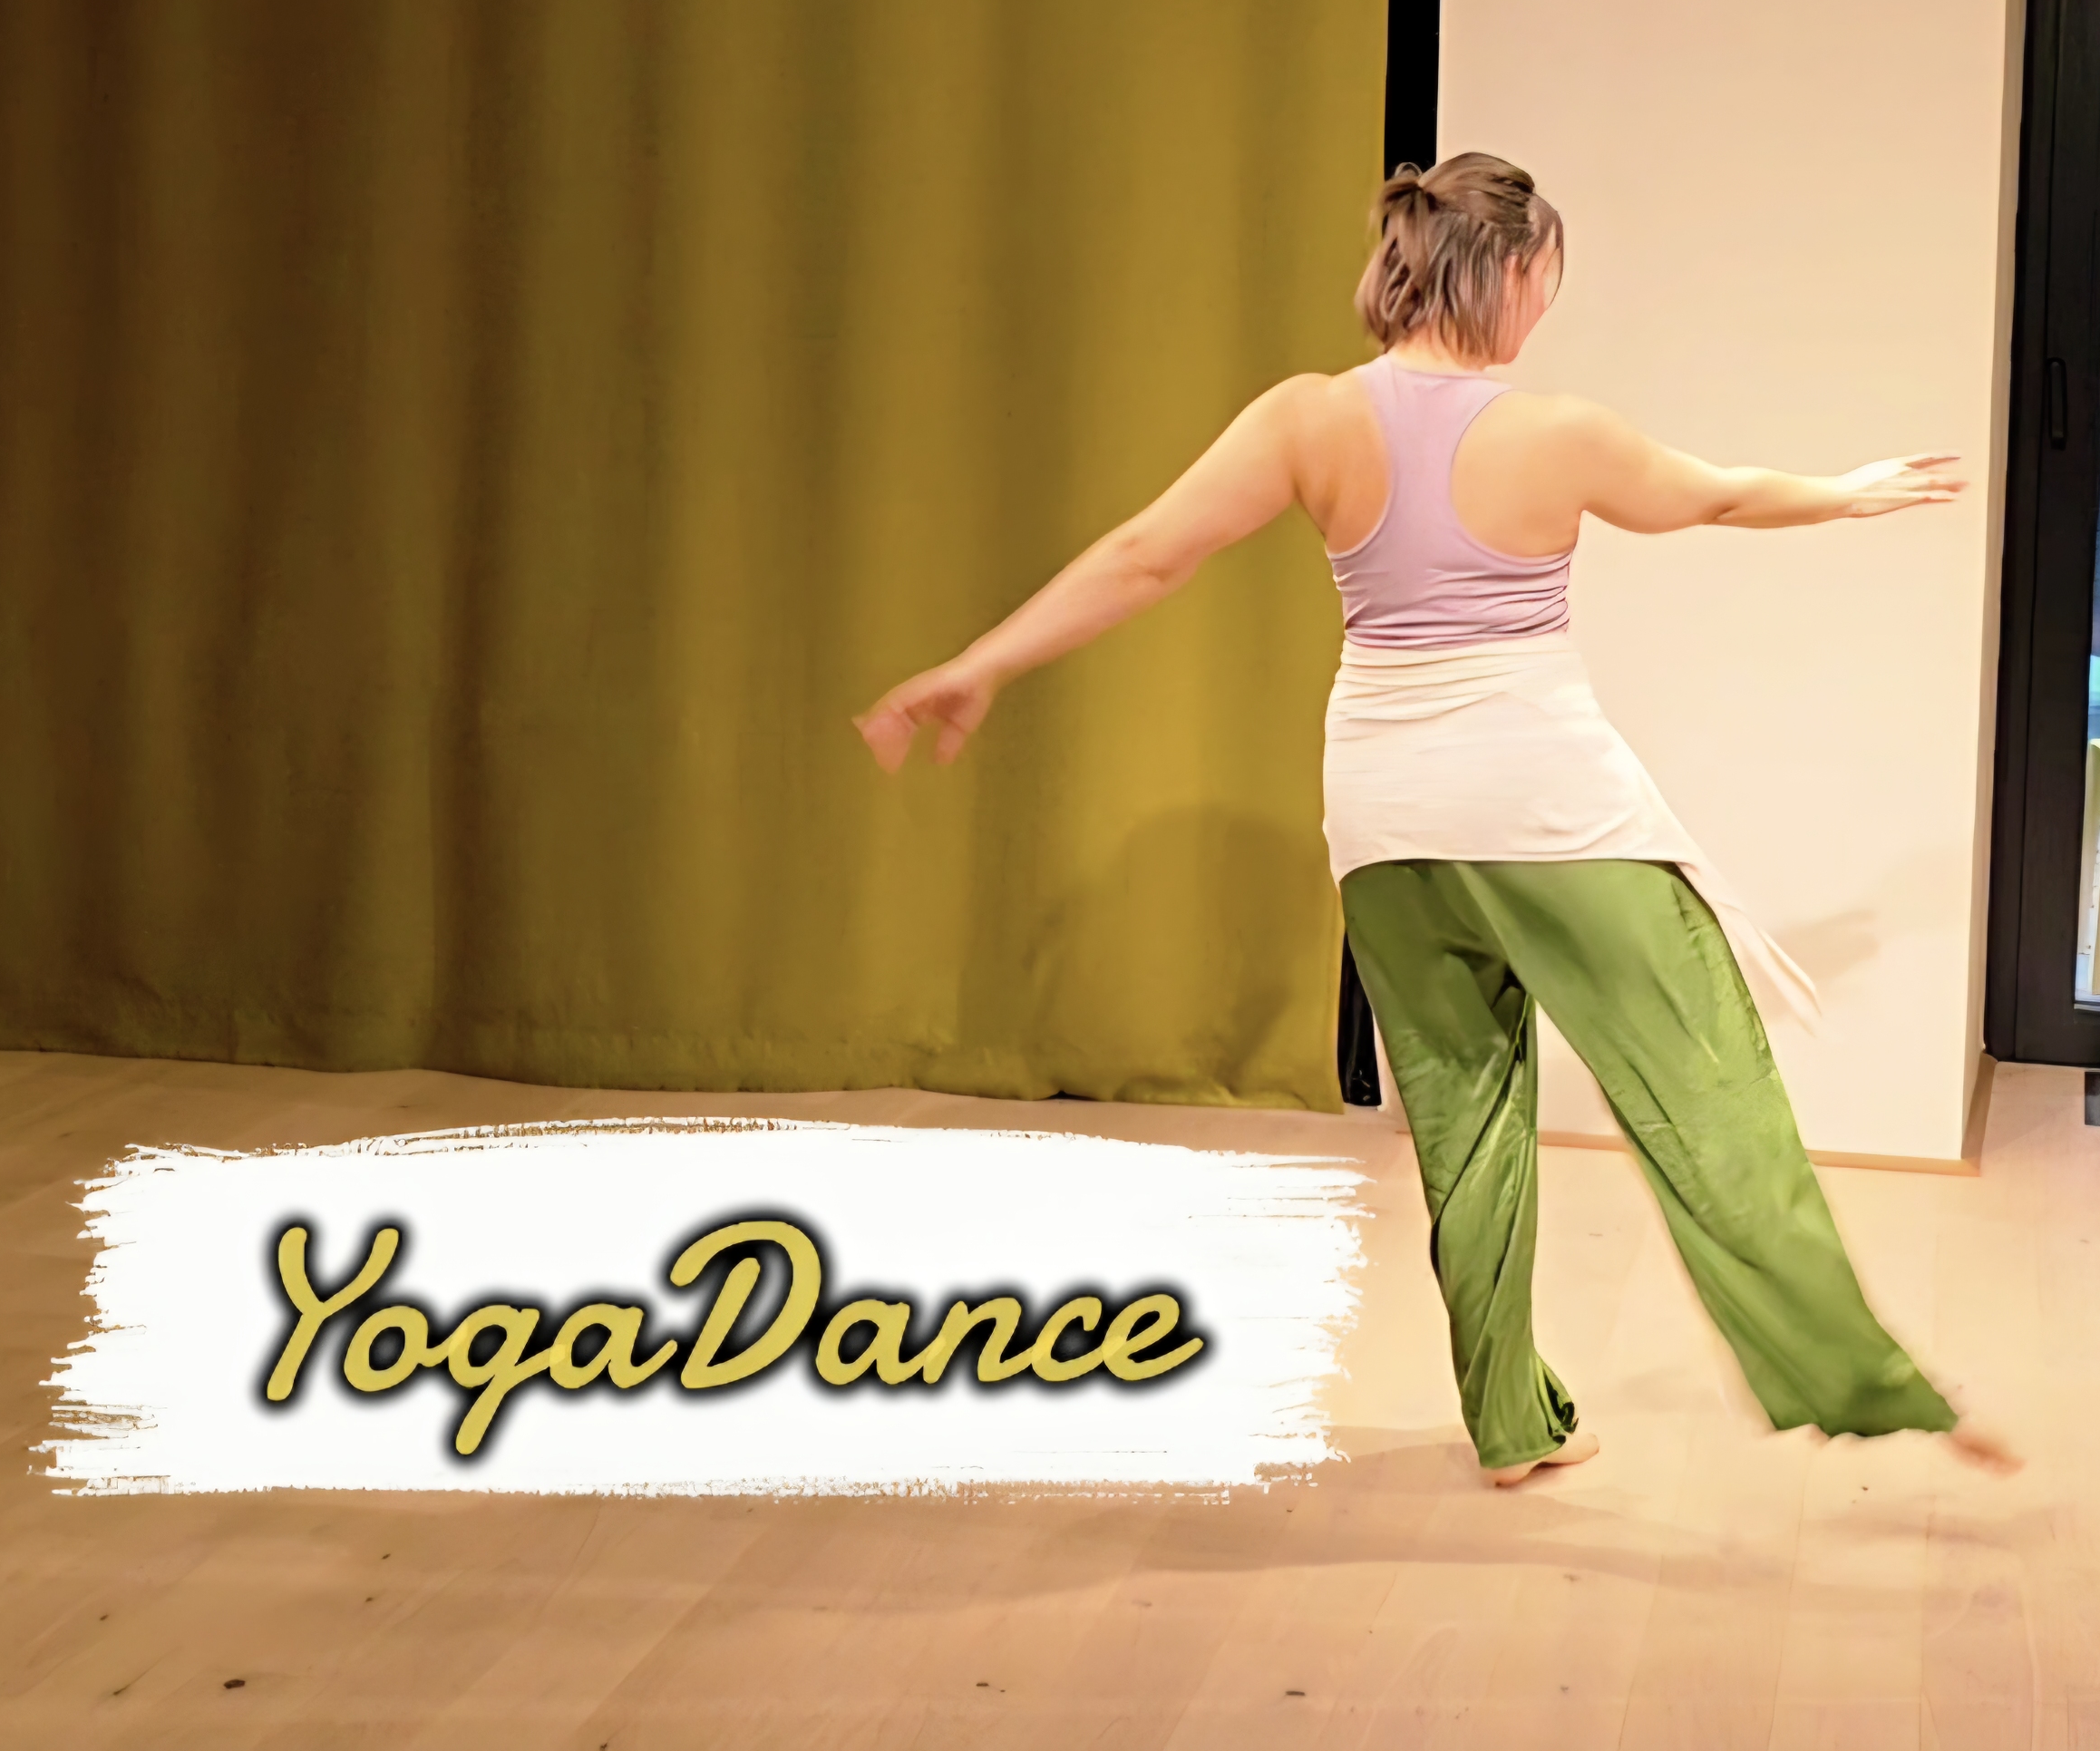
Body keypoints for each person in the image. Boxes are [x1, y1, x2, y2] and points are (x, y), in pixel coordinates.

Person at [855, 153, 2015, 1489]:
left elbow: (1145, 555)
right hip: (1544, 808)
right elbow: (1716, 494)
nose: (1546, 309)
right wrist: (1850, 489)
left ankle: (1513, 1428)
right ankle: (1864, 1384)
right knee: (1707, 1085)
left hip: (1385, 819)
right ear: (1508, 270)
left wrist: (983, 663)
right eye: (1546, 282)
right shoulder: (1556, 432)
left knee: (1466, 1120)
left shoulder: (1306, 418)